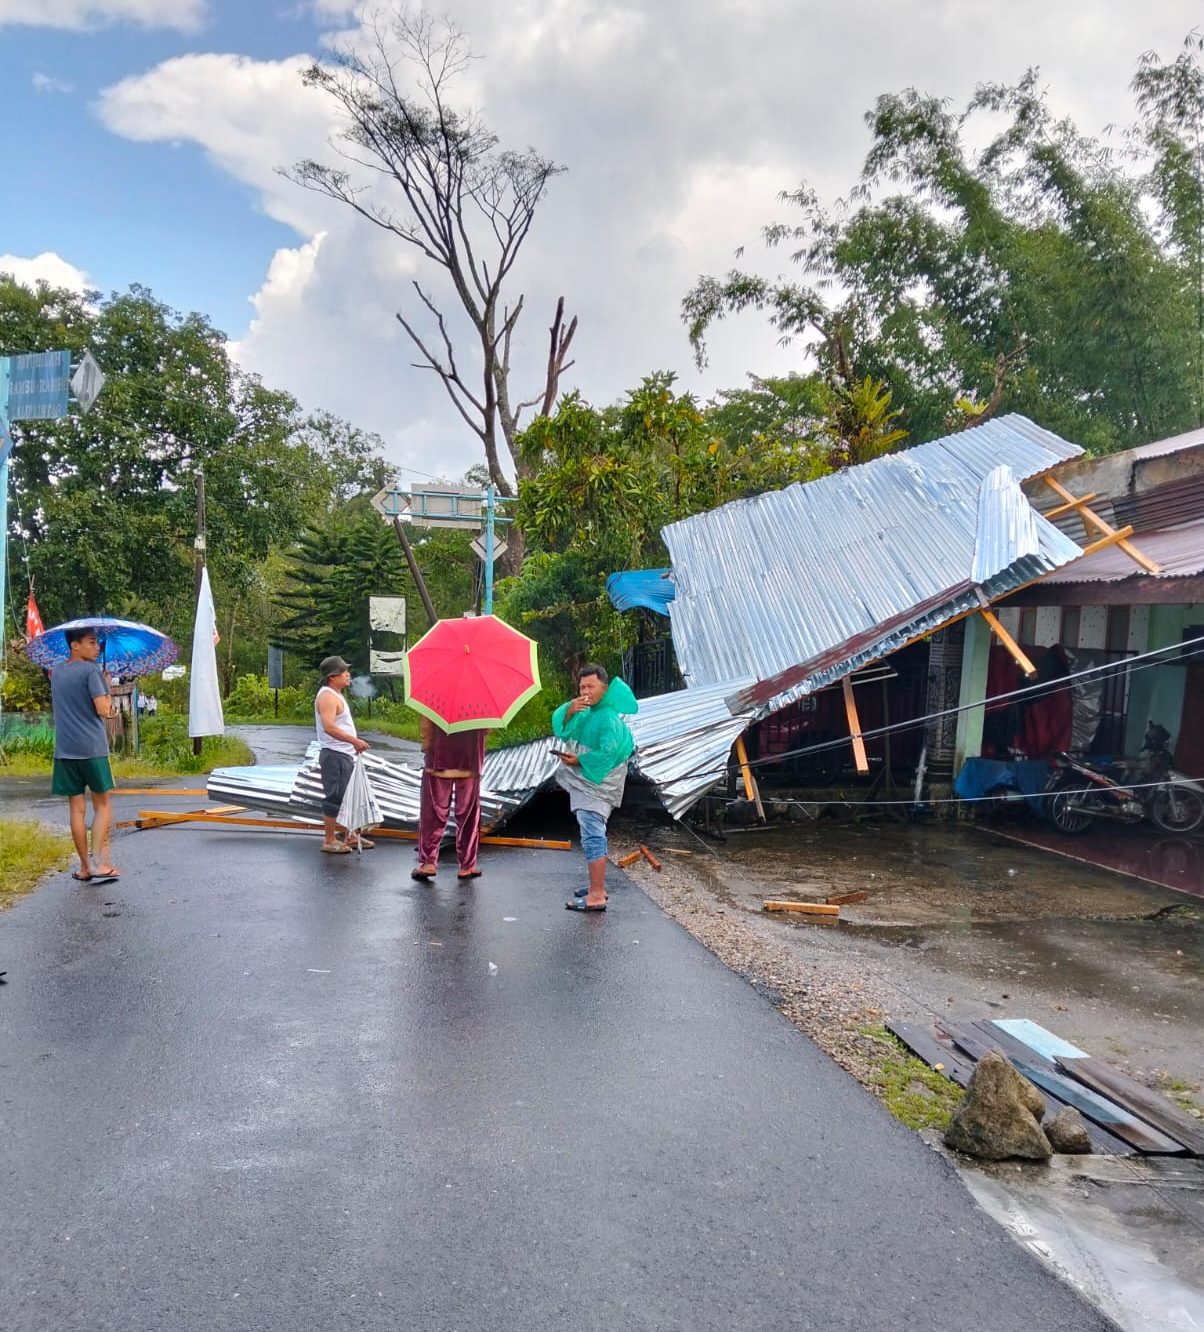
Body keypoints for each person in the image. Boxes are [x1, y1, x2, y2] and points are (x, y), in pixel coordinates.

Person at [552, 664, 638, 912]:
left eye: (591, 686)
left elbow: (608, 754)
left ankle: (597, 894)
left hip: (597, 786)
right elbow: (564, 730)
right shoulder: (589, 711)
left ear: (605, 688)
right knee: (591, 832)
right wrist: (570, 709)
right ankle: (596, 886)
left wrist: (579, 760)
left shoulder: (607, 717)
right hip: (588, 783)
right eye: (582, 687)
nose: (585, 692)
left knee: (592, 834)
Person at [50, 626, 119, 882]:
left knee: (76, 810)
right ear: (74, 645)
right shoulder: (91, 671)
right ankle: (98, 863)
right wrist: (106, 688)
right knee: (102, 805)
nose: (97, 647)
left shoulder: (56, 672)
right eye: (91, 642)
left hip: (65, 750)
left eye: (97, 642)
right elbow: (103, 709)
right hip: (92, 749)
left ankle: (84, 867)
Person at [412, 717, 488, 882]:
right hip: (470, 761)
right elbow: (487, 729)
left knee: (433, 814)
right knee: (468, 817)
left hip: (438, 760)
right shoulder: (480, 705)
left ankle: (428, 863)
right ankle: (467, 866)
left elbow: (426, 726)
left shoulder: (436, 701)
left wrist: (426, 745)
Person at [315, 655, 371, 854]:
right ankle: (329, 840)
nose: (348, 674)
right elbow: (329, 727)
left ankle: (351, 835)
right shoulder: (327, 697)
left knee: (348, 796)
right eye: (344, 671)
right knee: (335, 796)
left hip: (343, 754)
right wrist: (354, 741)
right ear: (332, 676)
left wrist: (352, 743)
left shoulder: (336, 694)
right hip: (335, 755)